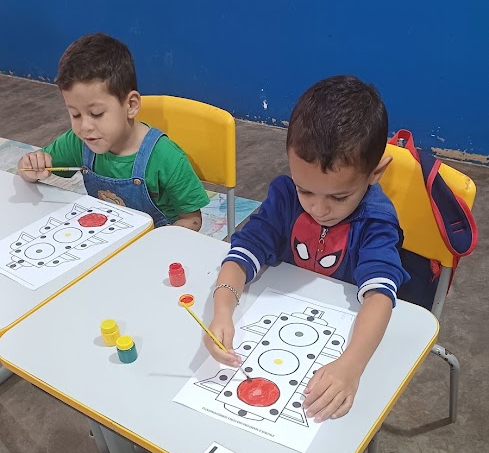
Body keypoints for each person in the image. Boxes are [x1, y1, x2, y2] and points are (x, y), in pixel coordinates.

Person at [204, 75, 410, 422]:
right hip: (283, 324)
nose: (318, 208)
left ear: (375, 173)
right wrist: (222, 310)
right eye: (306, 190)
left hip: (343, 338)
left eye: (339, 196)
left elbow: (380, 295)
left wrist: (351, 366)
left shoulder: (375, 221)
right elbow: (243, 253)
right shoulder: (285, 198)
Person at [17, 33, 208, 230]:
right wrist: (30, 167)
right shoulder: (79, 142)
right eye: (75, 114)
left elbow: (192, 219)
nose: (85, 126)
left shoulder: (166, 158)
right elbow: (28, 170)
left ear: (131, 105)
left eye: (96, 113)